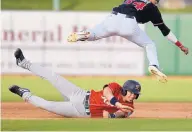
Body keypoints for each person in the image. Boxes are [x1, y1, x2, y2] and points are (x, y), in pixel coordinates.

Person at [67, 0, 189, 83]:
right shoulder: (152, 7)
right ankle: (154, 65)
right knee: (149, 44)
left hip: (113, 17)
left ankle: (83, 34)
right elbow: (164, 30)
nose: (157, 1)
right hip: (128, 23)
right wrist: (180, 45)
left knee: (94, 35)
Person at [9, 48, 141, 118]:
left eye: (135, 95)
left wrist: (114, 115)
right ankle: (24, 63)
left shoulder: (130, 107)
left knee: (47, 105)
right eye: (132, 92)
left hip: (80, 111)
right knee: (54, 77)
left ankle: (24, 93)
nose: (133, 96)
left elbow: (122, 114)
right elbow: (107, 92)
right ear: (125, 89)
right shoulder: (116, 88)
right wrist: (116, 104)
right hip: (81, 94)